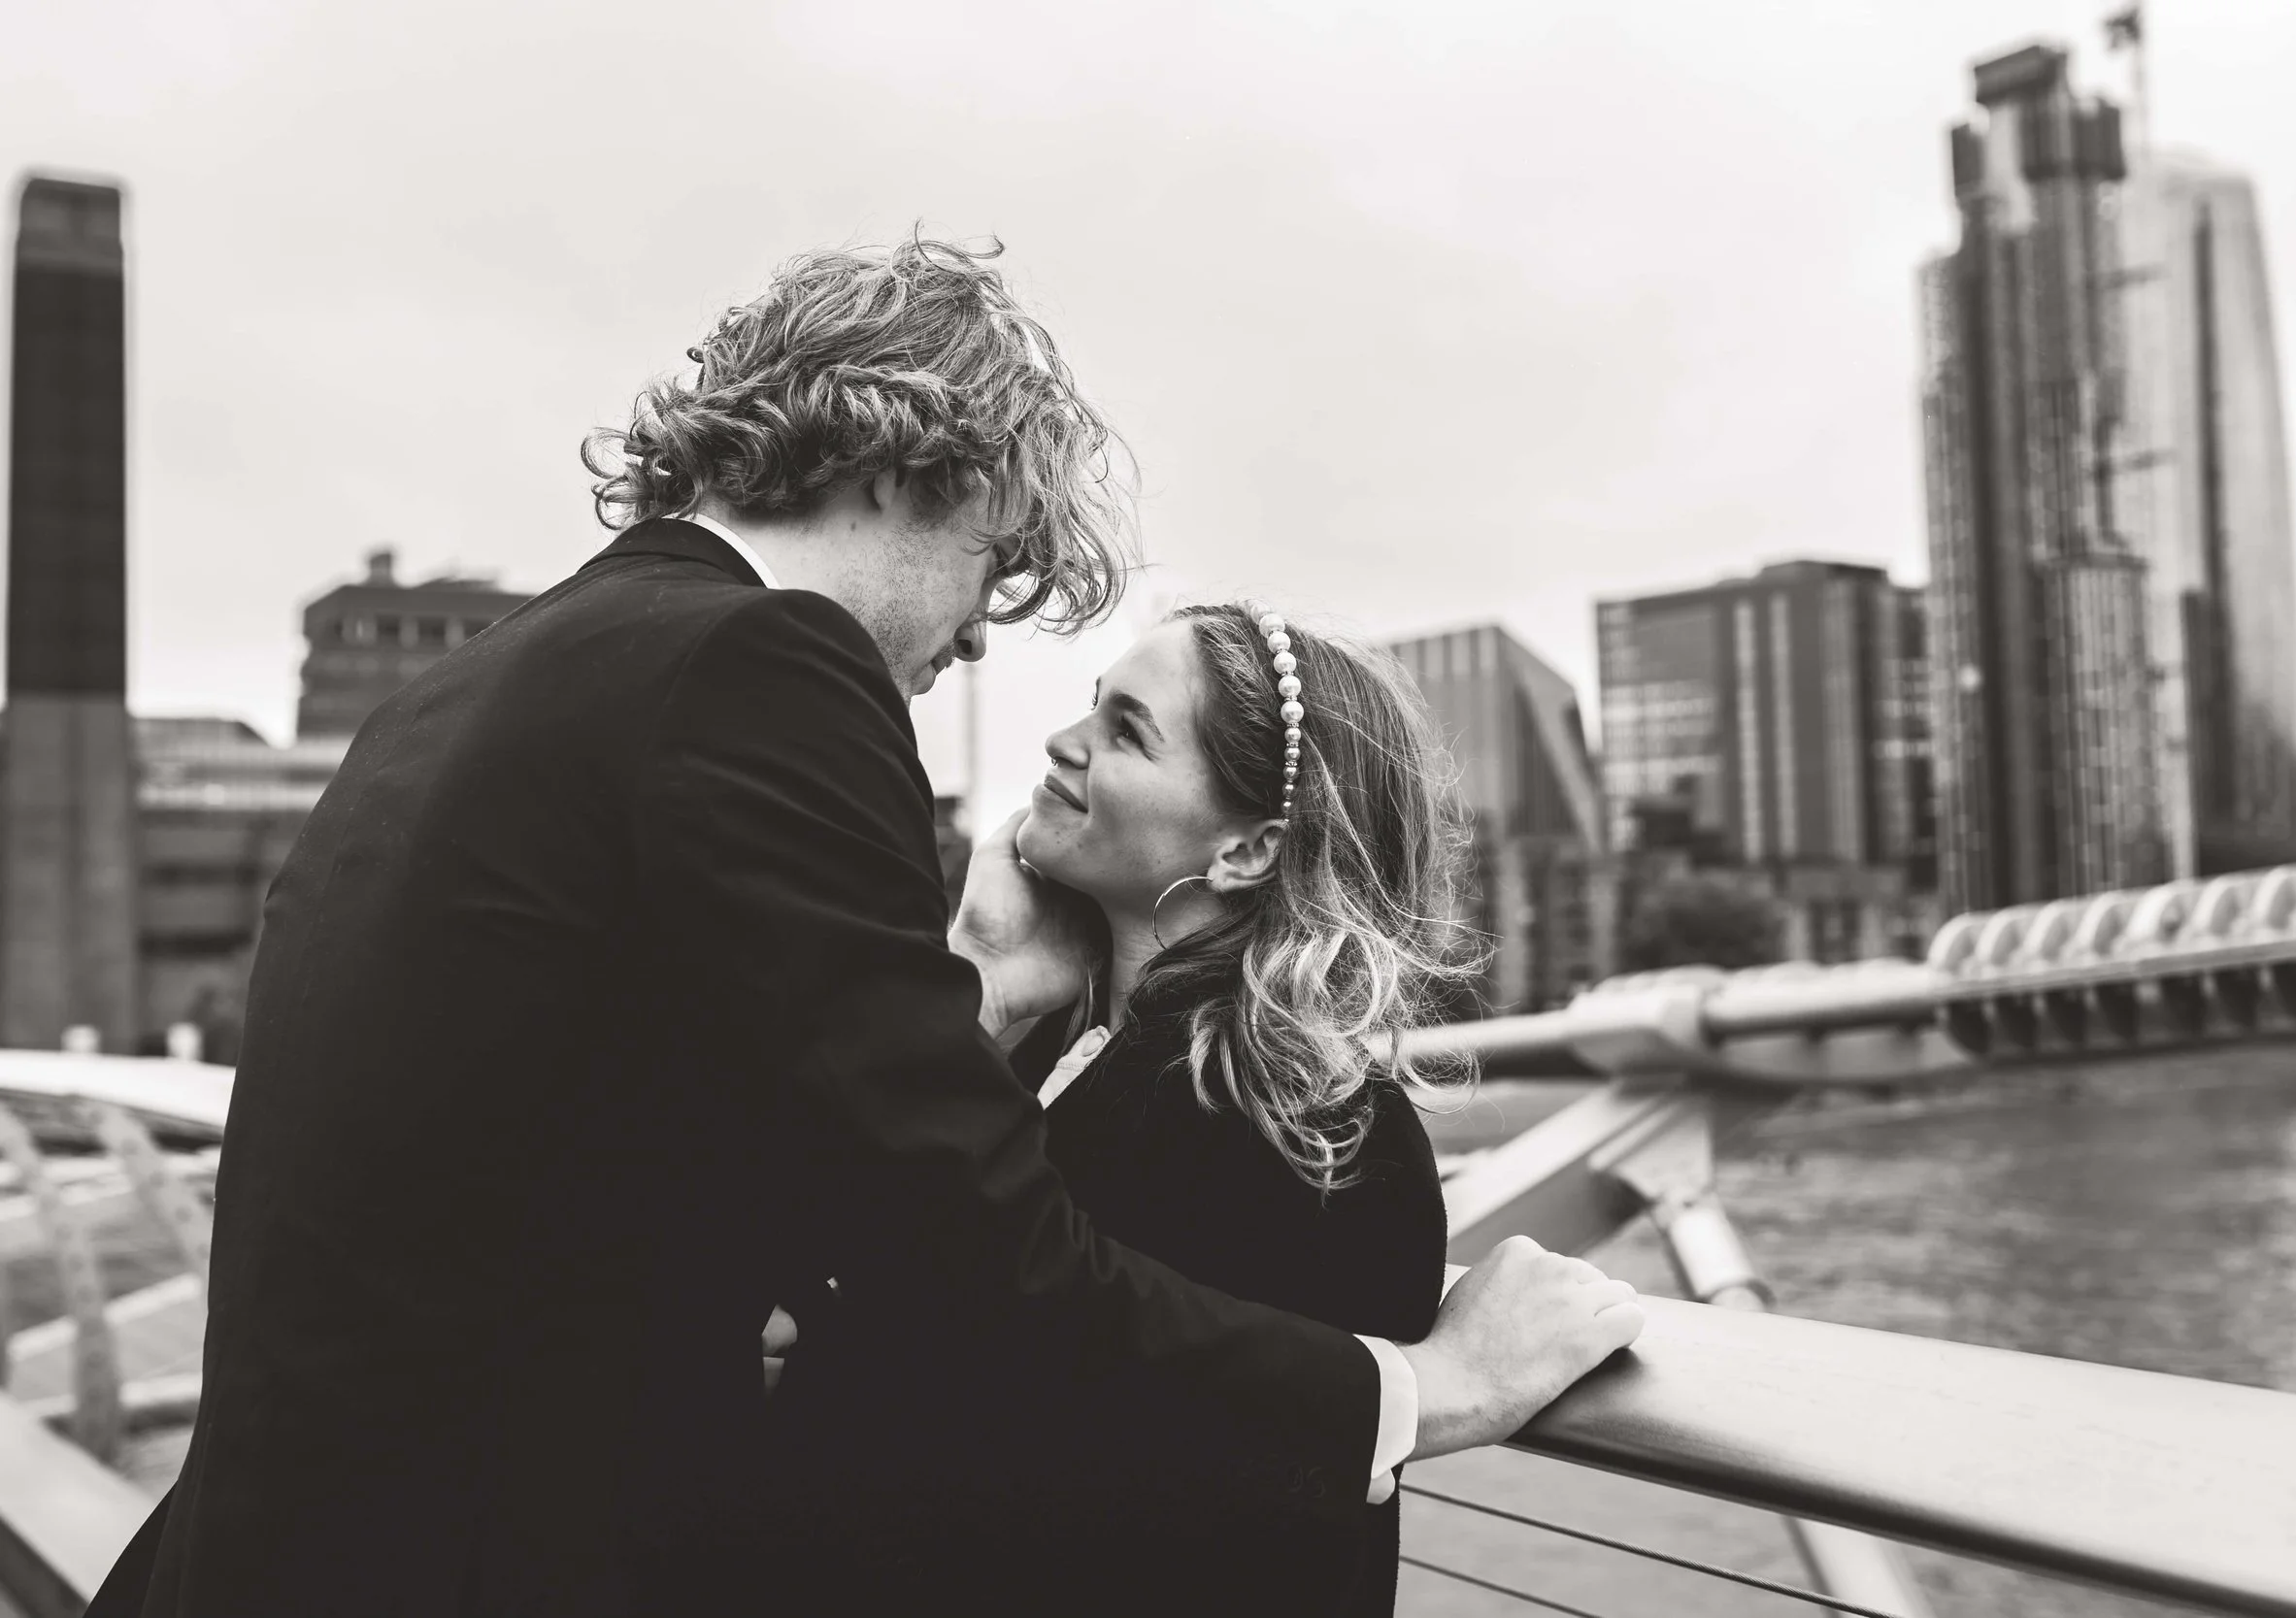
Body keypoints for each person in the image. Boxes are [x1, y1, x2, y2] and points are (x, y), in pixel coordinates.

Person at [89, 238, 1645, 1618]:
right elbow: (965, 1248)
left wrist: (970, 1012)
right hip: (482, 1560)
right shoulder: (760, 663)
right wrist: (1422, 1391)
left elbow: (654, 1154)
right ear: (920, 473)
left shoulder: (483, 683)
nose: (977, 637)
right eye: (993, 568)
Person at [768, 603, 1478, 1614]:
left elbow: (1277, 1524)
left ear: (1245, 849)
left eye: (1127, 730)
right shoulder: (1033, 1043)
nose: (1065, 740)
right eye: (1092, 707)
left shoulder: (1323, 1133)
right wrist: (980, 974)